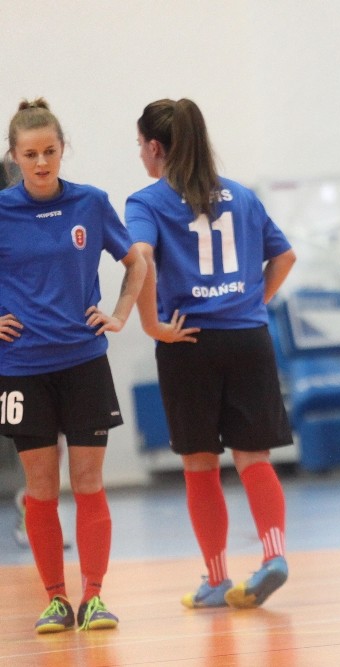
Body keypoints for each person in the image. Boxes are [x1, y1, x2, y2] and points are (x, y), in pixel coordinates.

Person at [126, 99, 297, 610]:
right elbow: (285, 256)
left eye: (140, 145)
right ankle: (273, 554)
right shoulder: (241, 195)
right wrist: (252, 302)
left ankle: (217, 579)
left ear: (155, 147)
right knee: (254, 458)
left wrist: (150, 324)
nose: (140, 154)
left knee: (199, 464)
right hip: (248, 339)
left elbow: (141, 257)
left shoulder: (147, 201)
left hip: (188, 341)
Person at [0, 98, 147, 633]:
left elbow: (135, 261)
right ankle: (55, 600)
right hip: (21, 367)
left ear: (63, 149)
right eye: (30, 154)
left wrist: (120, 314)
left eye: (50, 151)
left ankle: (95, 597)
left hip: (83, 361)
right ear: (14, 157)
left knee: (88, 482)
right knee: (41, 487)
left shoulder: (90, 202)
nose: (42, 162)